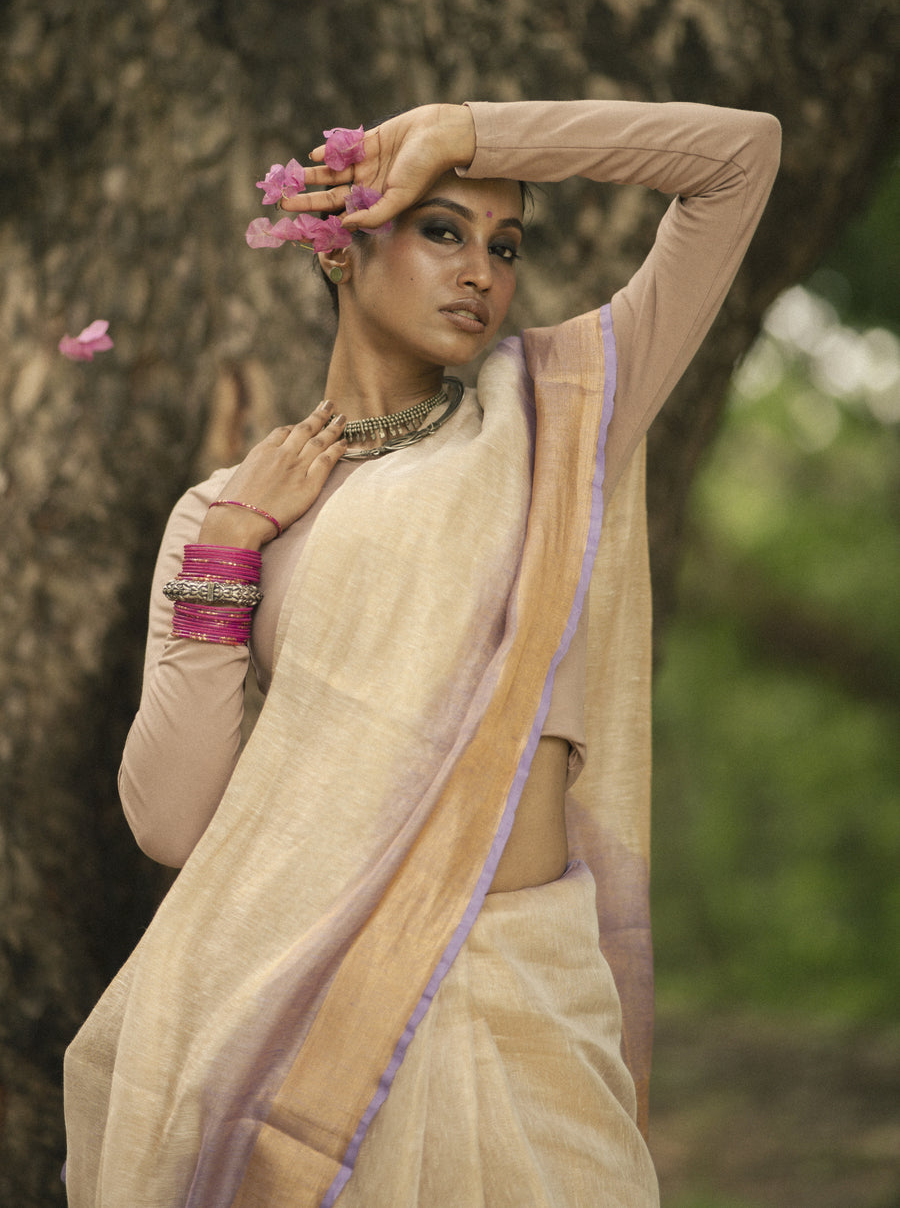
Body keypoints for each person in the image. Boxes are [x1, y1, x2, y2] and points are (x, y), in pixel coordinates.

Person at [63, 96, 781, 1208]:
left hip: (521, 994)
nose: (482, 274)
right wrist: (229, 551)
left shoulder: (556, 420)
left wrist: (465, 134)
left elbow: (739, 157)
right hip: (303, 1003)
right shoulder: (225, 509)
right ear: (340, 249)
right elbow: (167, 822)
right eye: (441, 230)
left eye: (505, 246)